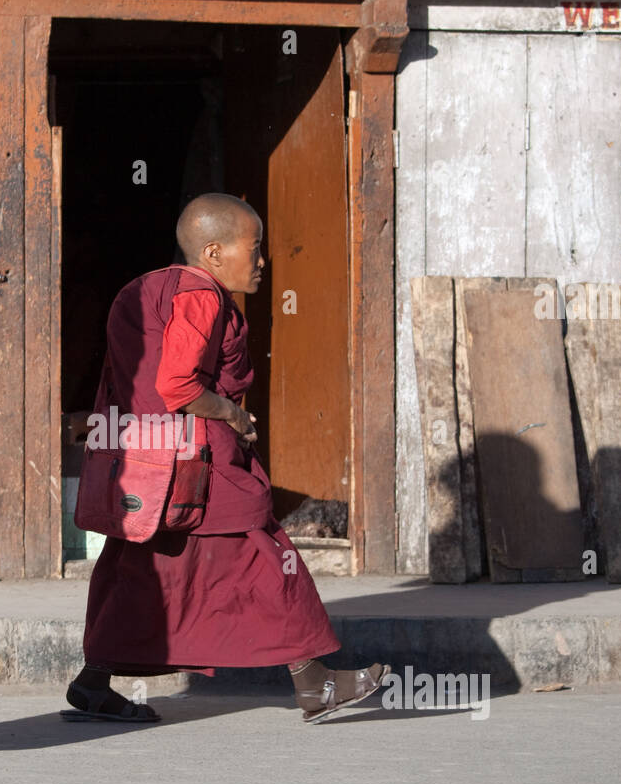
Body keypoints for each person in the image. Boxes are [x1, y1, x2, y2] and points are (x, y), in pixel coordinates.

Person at [66, 194, 388, 724]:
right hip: (200, 466)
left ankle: (92, 683)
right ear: (213, 252)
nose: (262, 261)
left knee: (141, 568)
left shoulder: (148, 288)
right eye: (254, 248)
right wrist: (234, 415)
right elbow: (177, 385)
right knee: (267, 555)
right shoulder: (201, 296)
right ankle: (315, 681)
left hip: (149, 465)